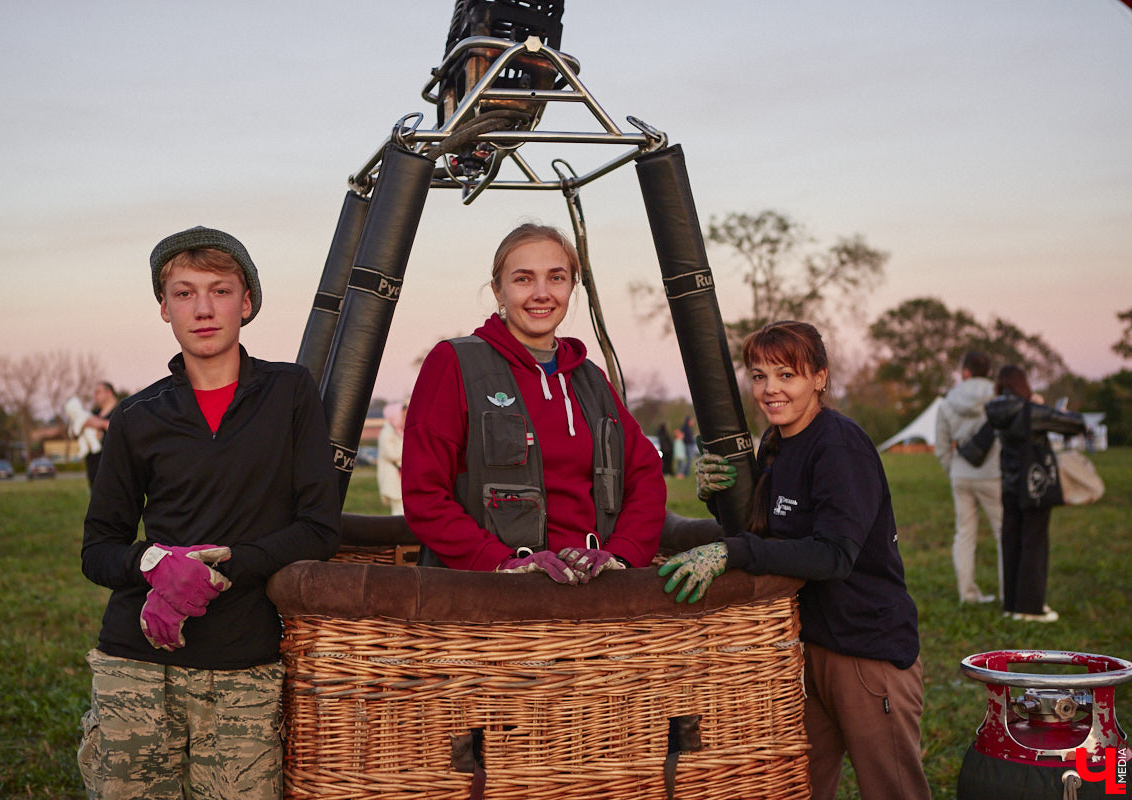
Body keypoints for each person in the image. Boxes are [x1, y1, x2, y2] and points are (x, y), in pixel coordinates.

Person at [78, 226, 341, 800]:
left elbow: (319, 526)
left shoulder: (290, 393)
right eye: (184, 292)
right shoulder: (136, 416)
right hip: (136, 663)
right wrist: (154, 564)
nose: (203, 308)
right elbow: (98, 549)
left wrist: (227, 566)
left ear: (246, 303)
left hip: (242, 663)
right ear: (164, 307)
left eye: (220, 290)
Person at [659, 320, 930, 800]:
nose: (770, 389)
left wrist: (731, 551)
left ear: (820, 377)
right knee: (798, 786)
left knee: (892, 789)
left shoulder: (838, 445)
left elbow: (833, 554)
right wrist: (714, 499)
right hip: (806, 647)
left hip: (866, 649)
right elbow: (771, 533)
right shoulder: (775, 444)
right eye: (759, 376)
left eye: (787, 375)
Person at [401, 223, 666, 583]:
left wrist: (621, 554)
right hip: (489, 593)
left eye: (556, 278)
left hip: (591, 592)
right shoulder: (455, 363)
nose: (542, 293)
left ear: (572, 286)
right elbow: (424, 494)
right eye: (523, 279)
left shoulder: (590, 379)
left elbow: (645, 475)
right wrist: (501, 562)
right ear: (498, 290)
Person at [985, 365, 1085, 623]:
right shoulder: (1031, 410)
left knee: (1012, 543)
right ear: (1022, 384)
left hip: (1009, 485)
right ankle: (1030, 608)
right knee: (1034, 545)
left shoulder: (996, 410)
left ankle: (1012, 603)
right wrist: (1043, 406)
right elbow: (1075, 423)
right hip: (1035, 486)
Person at [933, 351, 1003, 604]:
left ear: (965, 372)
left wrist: (952, 468)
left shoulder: (948, 401)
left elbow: (941, 444)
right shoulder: (998, 396)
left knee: (964, 534)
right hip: (993, 473)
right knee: (1003, 534)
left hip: (961, 474)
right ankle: (1009, 594)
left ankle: (968, 594)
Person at [82, 381, 119, 489]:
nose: (95, 396)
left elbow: (122, 429)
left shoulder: (120, 411)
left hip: (112, 470)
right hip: (94, 468)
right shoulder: (94, 413)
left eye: (98, 392)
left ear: (109, 393)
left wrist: (102, 424)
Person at [377, 400, 406, 515]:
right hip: (393, 480)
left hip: (400, 480)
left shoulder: (400, 432)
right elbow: (391, 454)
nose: (405, 418)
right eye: (403, 416)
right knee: (399, 512)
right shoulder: (387, 432)